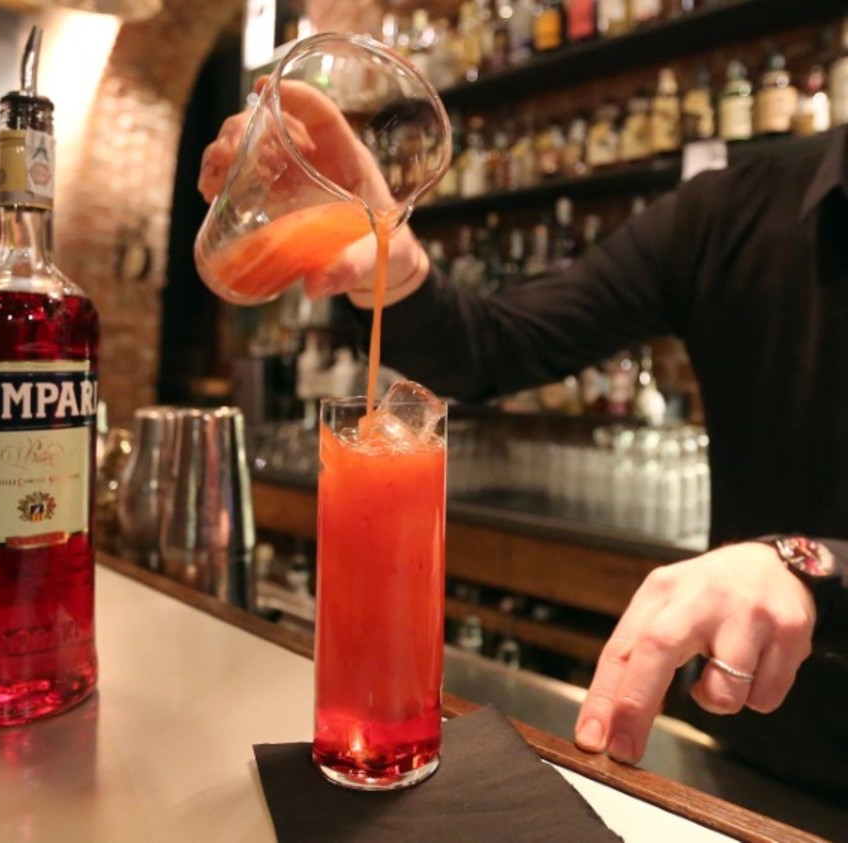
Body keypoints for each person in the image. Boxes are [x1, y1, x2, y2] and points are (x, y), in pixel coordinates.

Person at [198, 88, 848, 800]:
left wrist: (817, 563)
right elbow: (496, 347)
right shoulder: (734, 211)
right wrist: (395, 260)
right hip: (747, 739)